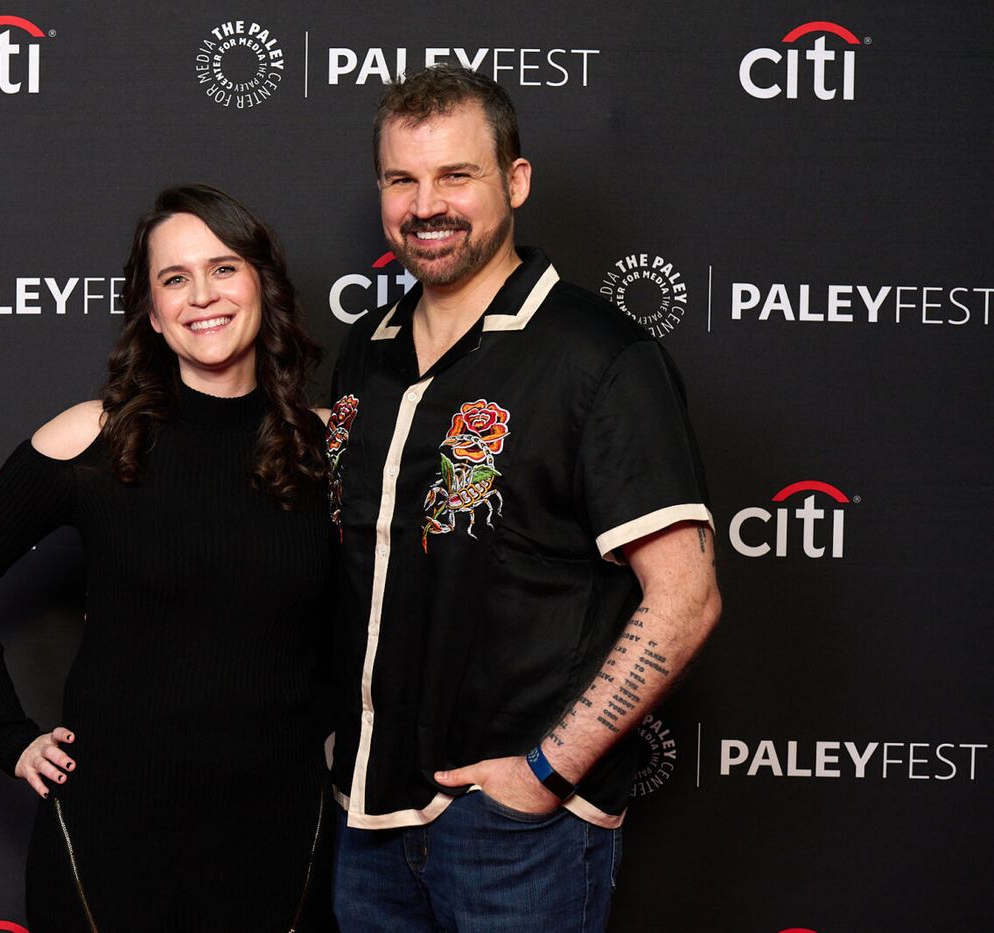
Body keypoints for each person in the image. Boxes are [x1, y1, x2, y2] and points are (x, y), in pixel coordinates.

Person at [325, 65, 723, 932]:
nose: (426, 203)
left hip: (513, 840)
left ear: (515, 180)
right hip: (370, 824)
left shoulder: (598, 354)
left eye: (456, 175)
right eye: (403, 179)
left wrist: (542, 774)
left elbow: (686, 597)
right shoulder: (367, 349)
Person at [0, 184, 336, 932]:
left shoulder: (326, 445)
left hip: (277, 832)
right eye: (174, 278)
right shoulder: (97, 438)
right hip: (112, 833)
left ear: (263, 284)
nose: (201, 296)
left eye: (224, 268)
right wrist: (11, 736)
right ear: (151, 310)